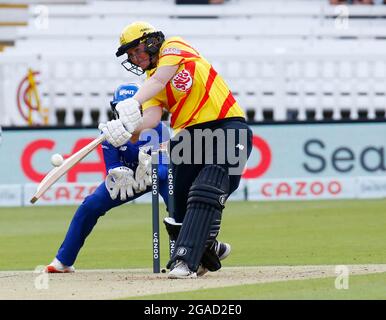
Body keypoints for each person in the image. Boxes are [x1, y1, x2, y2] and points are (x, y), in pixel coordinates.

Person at [98, 21, 253, 279]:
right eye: (130, 56)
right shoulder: (149, 82)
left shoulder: (174, 46)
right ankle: (207, 250)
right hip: (188, 136)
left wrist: (132, 101)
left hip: (227, 124)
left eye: (136, 51)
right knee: (179, 200)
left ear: (150, 42)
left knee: (208, 186)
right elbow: (150, 119)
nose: (135, 59)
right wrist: (127, 131)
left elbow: (161, 78)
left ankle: (185, 261)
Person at [45, 83, 171, 273]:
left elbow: (164, 166)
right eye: (120, 109)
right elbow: (112, 167)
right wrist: (120, 172)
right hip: (126, 182)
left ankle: (189, 255)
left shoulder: (157, 128)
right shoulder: (110, 132)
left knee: (178, 202)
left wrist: (151, 171)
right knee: (90, 205)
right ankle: (63, 261)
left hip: (156, 177)